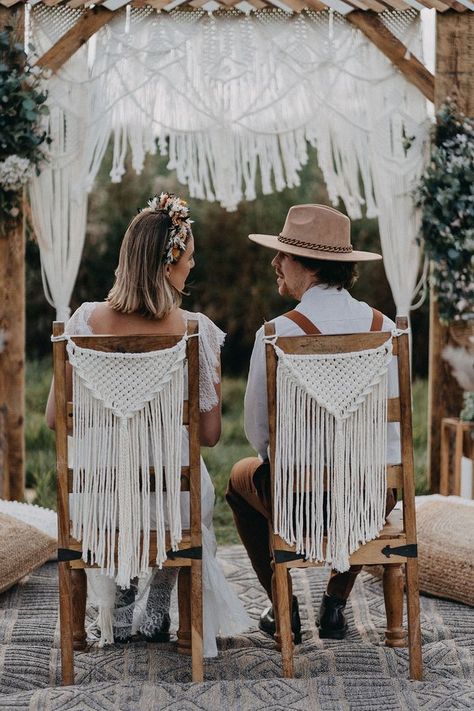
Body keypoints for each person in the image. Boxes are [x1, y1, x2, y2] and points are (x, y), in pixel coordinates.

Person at [46, 192, 250, 657]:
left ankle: (122, 589)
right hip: (169, 498)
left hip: (97, 496)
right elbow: (212, 436)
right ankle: (158, 598)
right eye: (189, 258)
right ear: (168, 264)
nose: (192, 267)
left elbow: (56, 419)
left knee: (126, 474)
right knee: (183, 484)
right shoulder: (197, 330)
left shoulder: (80, 323)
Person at [226, 203, 400, 643]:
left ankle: (282, 607)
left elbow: (257, 433)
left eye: (283, 254)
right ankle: (336, 602)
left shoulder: (277, 333)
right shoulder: (386, 330)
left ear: (309, 265)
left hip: (297, 502)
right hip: (371, 499)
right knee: (369, 474)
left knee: (237, 479)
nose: (274, 262)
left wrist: (295, 466)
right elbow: (392, 437)